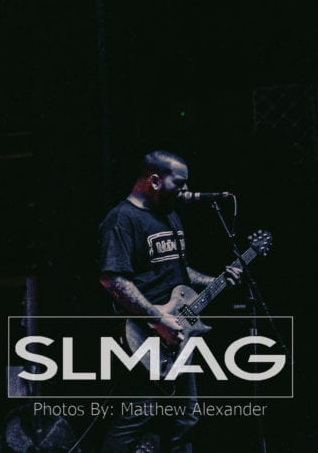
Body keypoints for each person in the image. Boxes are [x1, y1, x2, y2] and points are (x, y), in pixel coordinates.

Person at [97, 150, 241, 453]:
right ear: (154, 180)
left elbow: (179, 270)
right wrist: (157, 319)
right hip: (143, 335)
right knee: (137, 417)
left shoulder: (170, 216)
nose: (186, 191)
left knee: (186, 418)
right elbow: (113, 280)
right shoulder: (122, 219)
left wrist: (216, 280)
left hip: (178, 334)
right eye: (180, 183)